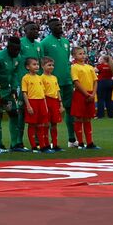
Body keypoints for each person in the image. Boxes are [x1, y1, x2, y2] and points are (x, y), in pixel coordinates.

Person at [40, 18, 74, 148]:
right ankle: (45, 141)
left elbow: (66, 60)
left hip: (67, 81)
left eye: (60, 25)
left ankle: (71, 139)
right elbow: (42, 62)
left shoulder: (66, 42)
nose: (60, 27)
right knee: (48, 114)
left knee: (70, 110)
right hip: (52, 84)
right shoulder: (45, 43)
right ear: (50, 27)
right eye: (56, 25)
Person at [0, 34, 24, 153]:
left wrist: (14, 87)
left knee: (14, 114)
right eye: (14, 49)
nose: (16, 52)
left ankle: (15, 143)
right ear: (8, 47)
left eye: (18, 49)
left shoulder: (18, 58)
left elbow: (15, 73)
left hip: (8, 91)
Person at [70, 48, 98, 149]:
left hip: (90, 94)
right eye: (79, 54)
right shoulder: (74, 67)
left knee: (88, 118)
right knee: (78, 117)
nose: (82, 55)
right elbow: (76, 82)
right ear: (74, 56)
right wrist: (86, 94)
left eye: (83, 53)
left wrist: (93, 94)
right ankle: (80, 143)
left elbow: (95, 81)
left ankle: (90, 142)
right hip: (80, 94)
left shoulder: (90, 67)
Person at [20, 56, 48, 151]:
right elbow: (24, 92)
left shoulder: (39, 78)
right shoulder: (25, 78)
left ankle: (42, 145)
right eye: (34, 64)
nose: (36, 66)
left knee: (41, 125)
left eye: (37, 64)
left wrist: (45, 105)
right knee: (32, 124)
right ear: (28, 67)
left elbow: (43, 93)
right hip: (32, 102)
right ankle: (33, 146)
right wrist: (28, 105)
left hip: (41, 102)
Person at [41, 56, 62, 153]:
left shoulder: (54, 78)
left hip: (55, 101)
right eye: (49, 65)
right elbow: (42, 92)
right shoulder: (41, 78)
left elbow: (57, 91)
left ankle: (55, 144)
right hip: (47, 101)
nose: (51, 67)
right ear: (43, 66)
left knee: (54, 123)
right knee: (46, 124)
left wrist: (60, 104)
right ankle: (46, 144)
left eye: (52, 65)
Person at [96, 53, 113, 120]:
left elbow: (93, 71)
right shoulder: (111, 66)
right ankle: (110, 115)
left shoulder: (100, 66)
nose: (100, 60)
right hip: (110, 82)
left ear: (104, 60)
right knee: (109, 99)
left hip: (102, 82)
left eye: (101, 59)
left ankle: (100, 115)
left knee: (101, 99)